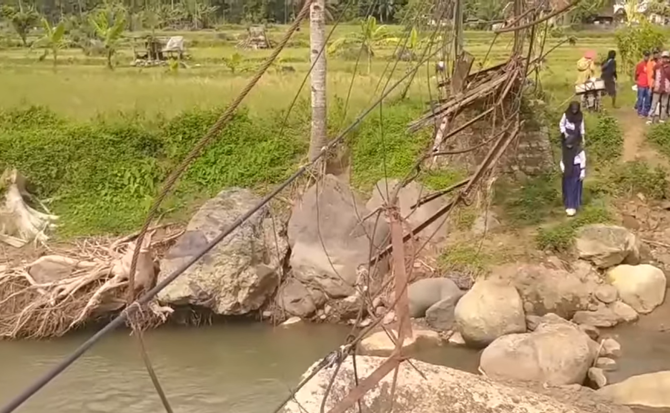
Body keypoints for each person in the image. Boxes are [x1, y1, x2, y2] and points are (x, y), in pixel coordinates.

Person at [559, 101, 586, 217]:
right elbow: (562, 159)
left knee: (574, 188)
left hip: (575, 170)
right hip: (568, 169)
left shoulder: (579, 150)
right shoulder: (566, 115)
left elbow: (582, 127)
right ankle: (568, 204)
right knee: (567, 187)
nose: (574, 111)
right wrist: (565, 135)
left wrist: (583, 171)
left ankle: (573, 205)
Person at [647, 51, 670, 125]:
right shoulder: (657, 66)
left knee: (664, 105)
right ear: (661, 58)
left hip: (666, 89)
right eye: (664, 57)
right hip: (657, 88)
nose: (665, 59)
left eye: (666, 58)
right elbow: (653, 77)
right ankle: (650, 119)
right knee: (654, 104)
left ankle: (662, 119)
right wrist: (651, 87)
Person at [635, 52, 651, 116]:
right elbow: (636, 74)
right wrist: (637, 81)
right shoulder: (640, 65)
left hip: (648, 84)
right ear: (643, 56)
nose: (646, 57)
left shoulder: (650, 64)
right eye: (645, 56)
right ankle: (640, 111)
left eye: (648, 56)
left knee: (648, 99)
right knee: (640, 98)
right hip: (641, 84)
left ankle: (646, 112)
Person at [645, 49, 660, 116]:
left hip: (660, 83)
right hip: (652, 82)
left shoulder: (660, 61)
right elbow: (650, 73)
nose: (656, 54)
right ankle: (650, 112)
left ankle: (658, 112)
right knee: (651, 98)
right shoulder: (650, 62)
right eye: (654, 53)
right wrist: (650, 83)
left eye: (657, 53)